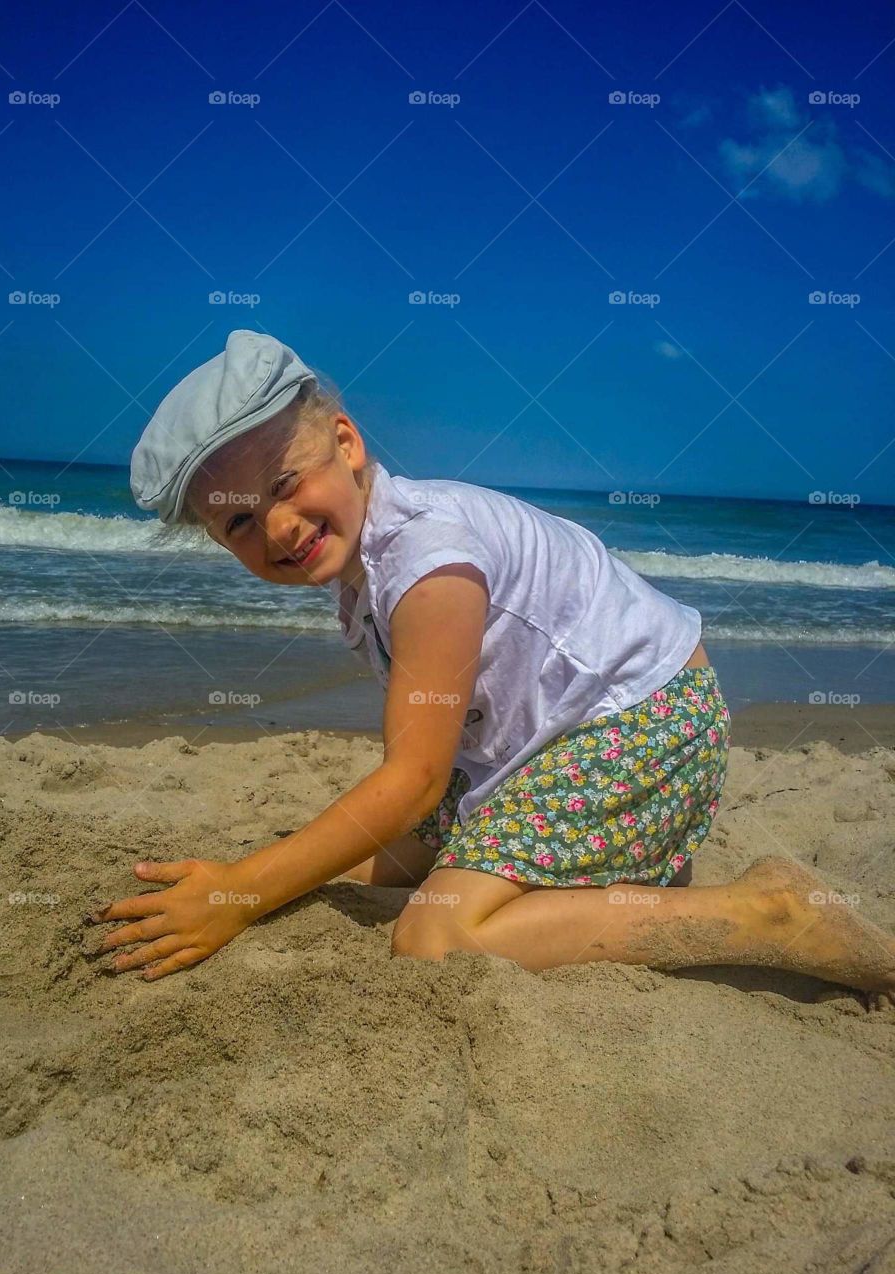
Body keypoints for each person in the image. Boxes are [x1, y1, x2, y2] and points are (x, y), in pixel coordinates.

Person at [87, 329, 894, 1002]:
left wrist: (237, 898)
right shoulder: (373, 554)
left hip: (643, 729)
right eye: (239, 525)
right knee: (372, 857)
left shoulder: (428, 563)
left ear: (346, 441)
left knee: (434, 935)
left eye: (284, 484)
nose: (280, 527)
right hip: (542, 744)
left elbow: (413, 778)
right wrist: (250, 879)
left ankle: (766, 913)